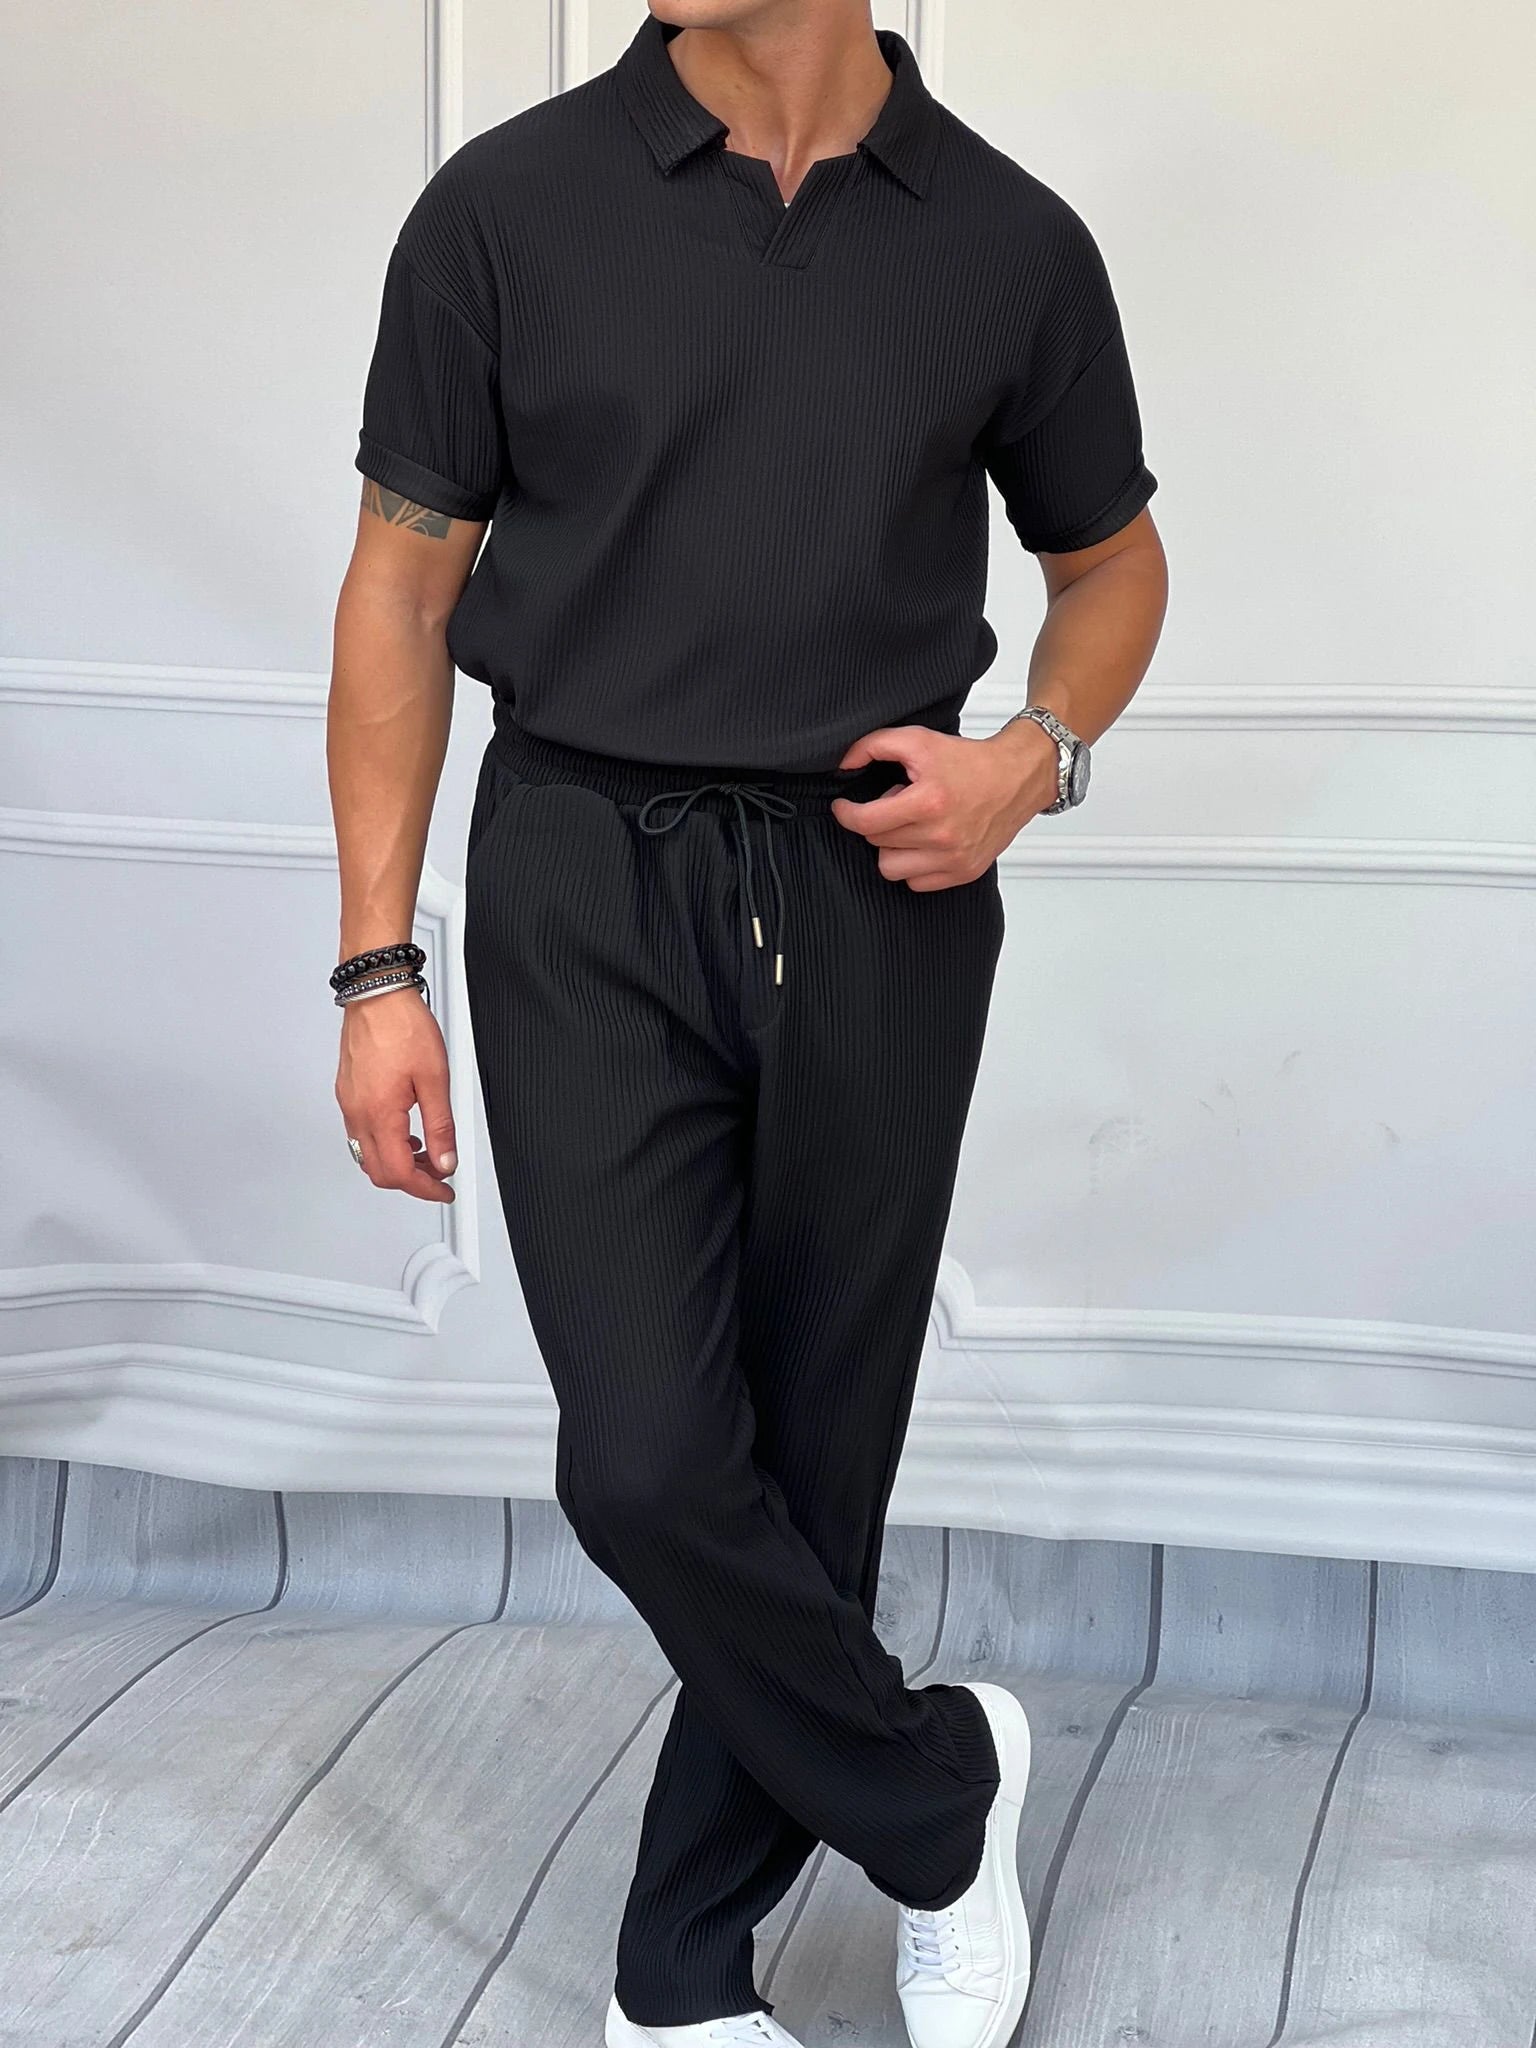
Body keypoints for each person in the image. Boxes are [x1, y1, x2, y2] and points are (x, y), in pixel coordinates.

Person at [327, 3, 1167, 2043]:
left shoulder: (1011, 243)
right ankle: (941, 1792)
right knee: (644, 1461)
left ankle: (679, 1978)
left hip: (880, 888)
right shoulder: (503, 213)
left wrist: (1031, 760)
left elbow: (1114, 566)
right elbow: (399, 594)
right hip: (579, 875)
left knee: (812, 1458)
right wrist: (376, 966)